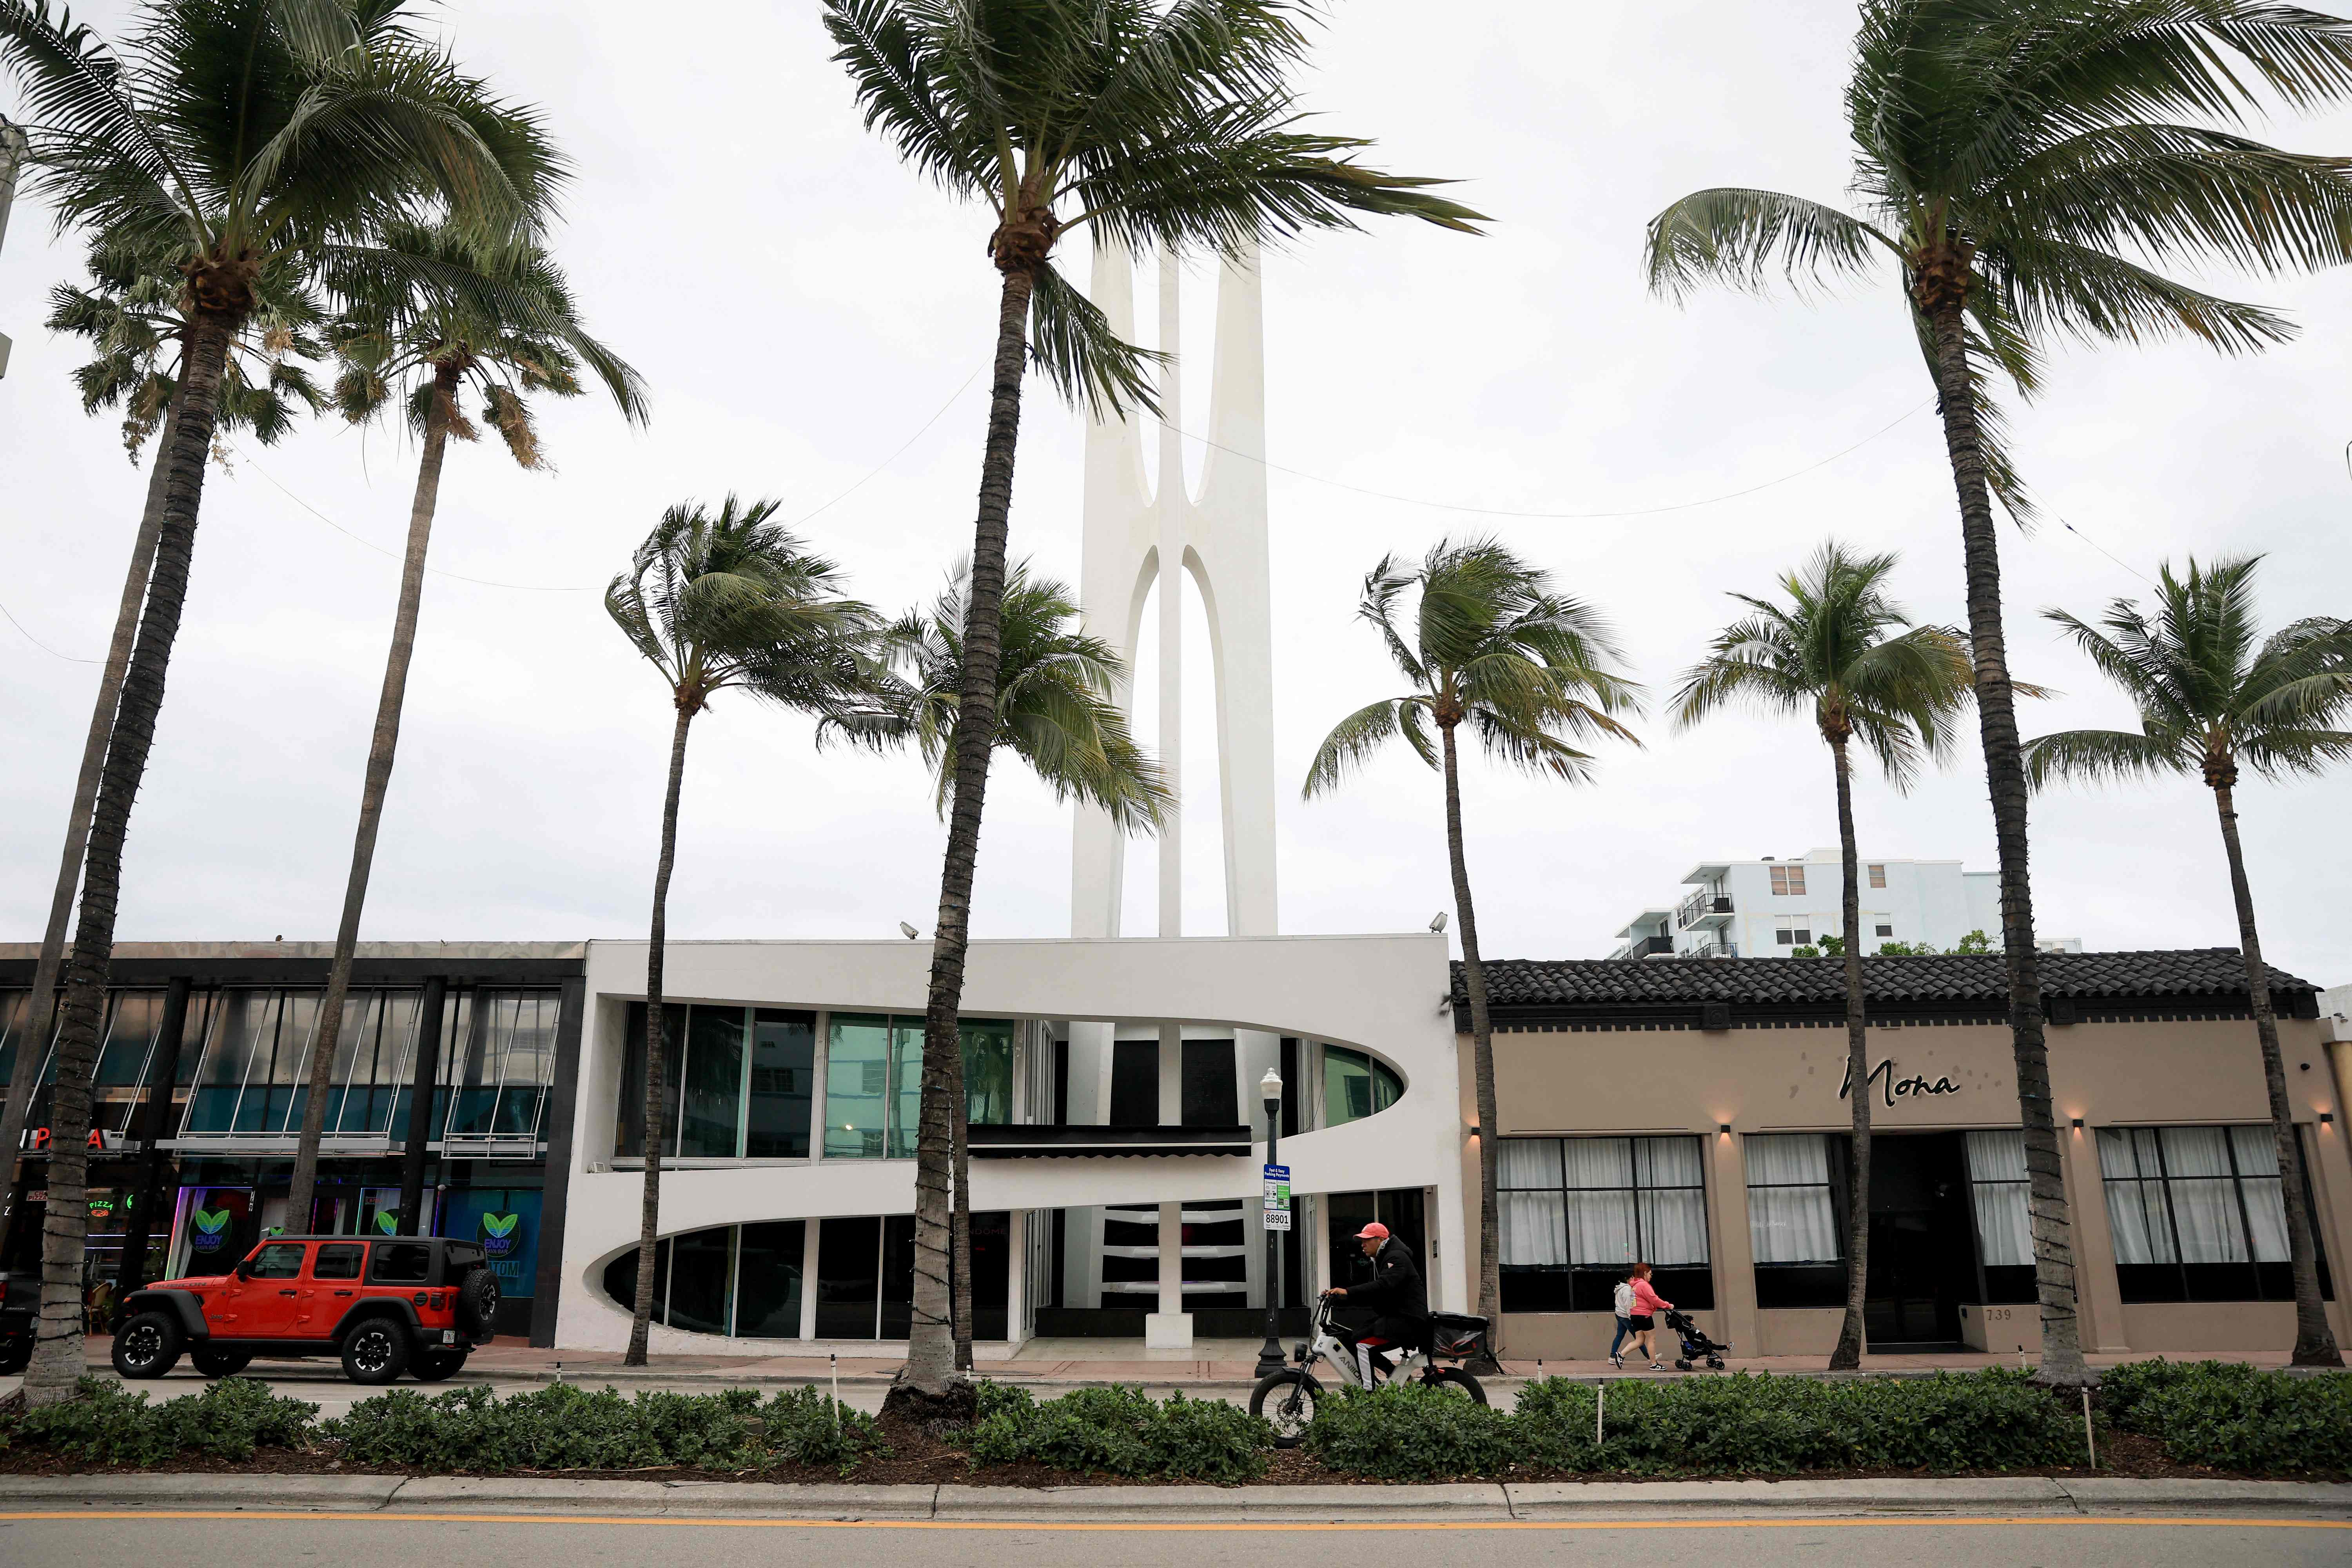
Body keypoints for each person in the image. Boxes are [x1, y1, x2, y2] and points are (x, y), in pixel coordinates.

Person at [1321, 1220, 1428, 1384]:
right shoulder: (1385, 1257)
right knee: (1351, 1339)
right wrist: (1339, 1297)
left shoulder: (1397, 1257)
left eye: (1367, 1240)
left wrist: (1348, 1292)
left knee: (1361, 1345)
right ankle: (1396, 1375)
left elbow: (1382, 1286)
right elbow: (1375, 1294)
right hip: (1397, 1317)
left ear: (1380, 1240)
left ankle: (1369, 1392)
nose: (1363, 1244)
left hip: (1408, 1321)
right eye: (1362, 1241)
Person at [1624, 1260, 1672, 1371]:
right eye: (1650, 1274)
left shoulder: (1634, 1287)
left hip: (1635, 1315)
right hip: (1644, 1315)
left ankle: (1621, 1355)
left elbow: (1634, 1302)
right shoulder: (1644, 1285)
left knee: (1639, 1340)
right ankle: (1654, 1364)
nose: (1651, 1276)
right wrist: (1668, 1305)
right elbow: (1654, 1299)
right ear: (1645, 1273)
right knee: (1652, 1339)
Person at [1609, 1270, 1637, 1368]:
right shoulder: (1627, 1290)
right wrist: (1632, 1318)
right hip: (1626, 1317)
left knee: (1619, 1336)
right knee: (1639, 1339)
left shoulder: (1620, 1288)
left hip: (1620, 1315)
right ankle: (1651, 1358)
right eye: (1632, 1277)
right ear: (1627, 1279)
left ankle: (1612, 1357)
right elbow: (1629, 1305)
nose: (1634, 1279)